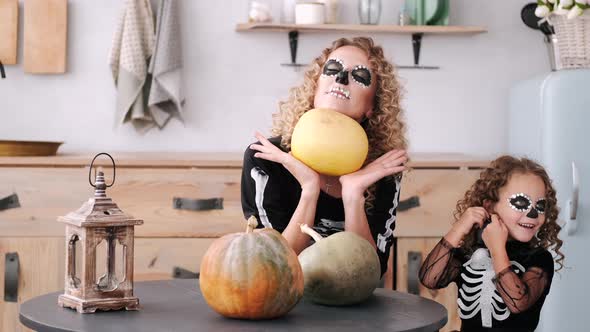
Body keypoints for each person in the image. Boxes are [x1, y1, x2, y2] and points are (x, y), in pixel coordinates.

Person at [241, 37, 408, 276]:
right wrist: (310, 189)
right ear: (315, 87)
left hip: (351, 305)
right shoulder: (267, 159)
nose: (341, 79)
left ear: (372, 106)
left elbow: (370, 271)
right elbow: (273, 267)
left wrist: (353, 194)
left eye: (359, 76)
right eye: (333, 69)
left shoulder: (382, 170)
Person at [419, 156, 564, 331]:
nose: (533, 213)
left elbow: (518, 302)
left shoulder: (539, 258)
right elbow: (430, 279)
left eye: (540, 206)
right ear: (489, 206)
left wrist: (496, 248)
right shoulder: (470, 250)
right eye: (520, 203)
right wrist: (459, 229)